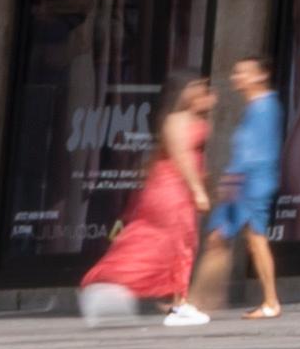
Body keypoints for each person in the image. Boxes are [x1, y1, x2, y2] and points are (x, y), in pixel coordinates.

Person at [80, 97, 213, 320]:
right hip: (174, 190)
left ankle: (177, 300)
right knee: (178, 245)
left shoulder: (183, 120)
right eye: (202, 92)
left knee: (160, 243)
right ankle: (179, 303)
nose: (209, 97)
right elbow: (182, 157)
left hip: (171, 188)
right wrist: (197, 189)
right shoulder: (177, 120)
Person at [198, 50, 283, 322]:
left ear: (261, 75)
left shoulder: (264, 107)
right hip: (248, 182)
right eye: (237, 72)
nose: (237, 77)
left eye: (244, 71)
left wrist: (233, 179)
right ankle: (199, 300)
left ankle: (269, 301)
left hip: (251, 183)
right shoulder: (258, 106)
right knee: (226, 238)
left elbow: (254, 153)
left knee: (244, 240)